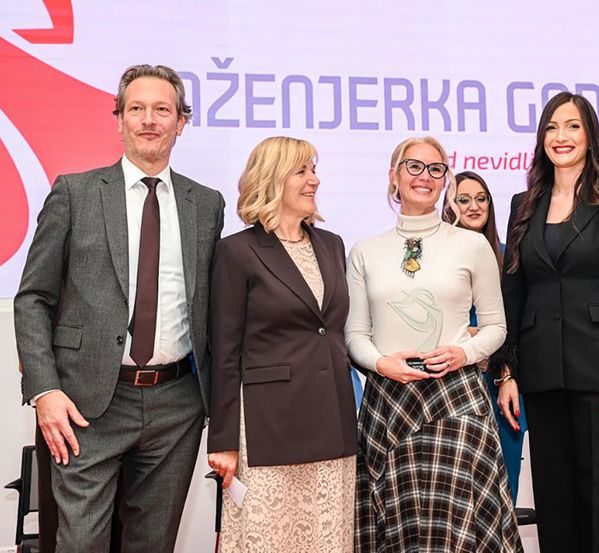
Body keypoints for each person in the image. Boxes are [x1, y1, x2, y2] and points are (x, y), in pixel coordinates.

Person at [13, 64, 225, 552]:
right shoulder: (75, 192)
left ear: (181, 122)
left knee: (153, 544)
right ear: (119, 120)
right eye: (137, 109)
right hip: (85, 404)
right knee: (80, 542)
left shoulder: (206, 205)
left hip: (177, 405)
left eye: (162, 110)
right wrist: (45, 390)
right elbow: (33, 298)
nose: (149, 120)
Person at [494, 91, 599, 552]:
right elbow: (514, 290)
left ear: (590, 136)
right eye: (551, 127)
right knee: (556, 503)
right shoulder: (523, 204)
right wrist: (507, 373)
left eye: (572, 126)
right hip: (542, 373)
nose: (560, 136)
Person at [346, 136, 522, 552]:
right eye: (414, 166)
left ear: (445, 180)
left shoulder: (473, 245)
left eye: (436, 168)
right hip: (389, 403)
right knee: (397, 527)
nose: (424, 176)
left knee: (458, 530)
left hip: (458, 403)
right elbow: (354, 336)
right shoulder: (364, 251)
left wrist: (465, 353)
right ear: (393, 176)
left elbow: (496, 327)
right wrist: (381, 364)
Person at [207, 136, 357, 552]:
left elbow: (335, 330)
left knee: (327, 538)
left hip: (334, 421)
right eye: (301, 171)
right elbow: (224, 352)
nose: (314, 180)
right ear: (272, 179)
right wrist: (222, 441)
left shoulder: (332, 244)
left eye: (314, 170)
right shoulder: (236, 252)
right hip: (268, 427)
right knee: (271, 538)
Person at [441, 170, 528, 505]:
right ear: (449, 206)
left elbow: (519, 323)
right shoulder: (436, 259)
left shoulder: (510, 257)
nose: (474, 206)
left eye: (481, 199)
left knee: (503, 490)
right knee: (456, 492)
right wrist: (478, 336)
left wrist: (503, 367)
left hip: (501, 383)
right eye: (463, 200)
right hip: (451, 384)